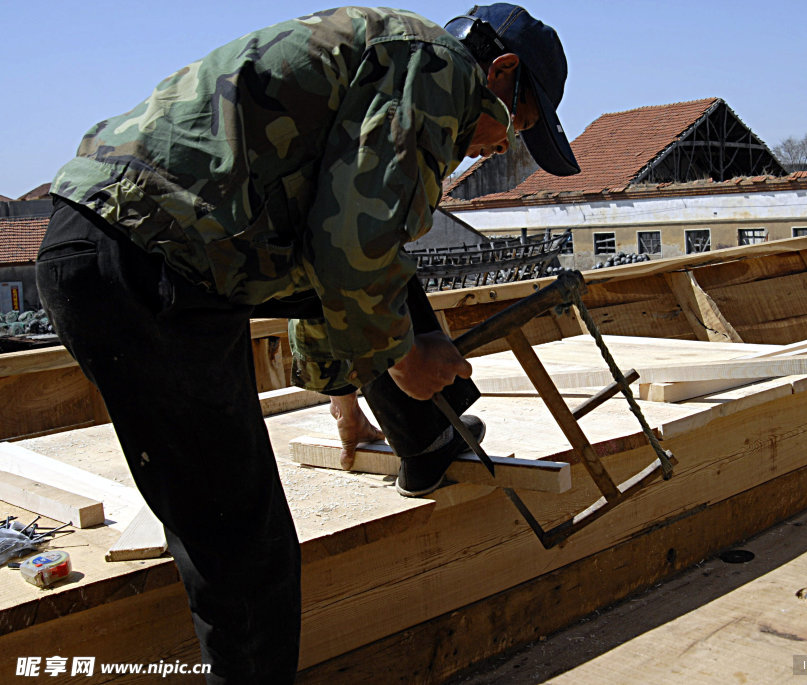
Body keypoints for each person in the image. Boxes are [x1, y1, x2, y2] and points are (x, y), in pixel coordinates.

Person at [37, 4, 578, 682]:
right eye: (518, 127)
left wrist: (342, 395)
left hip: (167, 254)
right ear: (500, 71)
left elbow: (329, 237)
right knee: (246, 555)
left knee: (390, 266)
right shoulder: (441, 71)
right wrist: (405, 358)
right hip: (142, 268)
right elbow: (349, 250)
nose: (501, 149)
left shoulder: (397, 55)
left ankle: (426, 440)